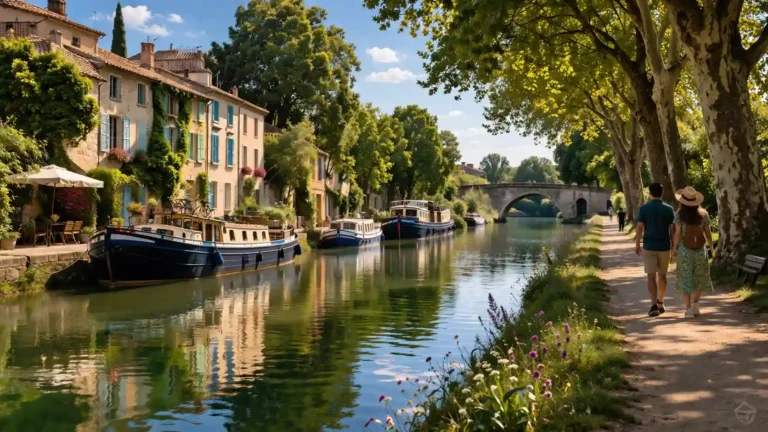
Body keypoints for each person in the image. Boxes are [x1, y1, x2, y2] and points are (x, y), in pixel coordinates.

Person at [671, 187, 714, 318]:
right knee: (700, 277)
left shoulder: (679, 215)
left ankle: (688, 309)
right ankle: (695, 304)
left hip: (685, 250)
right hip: (700, 250)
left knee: (686, 278)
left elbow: (677, 233)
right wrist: (711, 247)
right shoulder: (704, 214)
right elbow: (708, 233)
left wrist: (674, 248)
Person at [635, 183, 675, 317]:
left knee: (651, 276)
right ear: (662, 193)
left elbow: (639, 227)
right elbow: (672, 229)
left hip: (649, 246)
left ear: (650, 193)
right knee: (662, 275)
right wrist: (674, 246)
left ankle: (653, 305)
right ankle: (661, 302)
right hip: (664, 246)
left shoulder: (644, 208)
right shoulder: (669, 209)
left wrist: (637, 243)